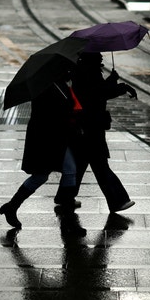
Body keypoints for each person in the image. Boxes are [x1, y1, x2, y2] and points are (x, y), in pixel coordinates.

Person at [0, 70, 84, 234]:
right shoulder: (47, 86)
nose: (69, 72)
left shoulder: (57, 84)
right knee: (44, 175)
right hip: (47, 139)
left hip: (54, 138)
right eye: (66, 70)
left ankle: (12, 207)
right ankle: (68, 223)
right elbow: (53, 112)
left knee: (67, 171)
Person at [60, 52, 136, 214]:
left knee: (80, 163)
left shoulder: (84, 69)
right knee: (100, 163)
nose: (102, 56)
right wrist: (122, 87)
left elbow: (97, 90)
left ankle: (65, 197)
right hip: (90, 123)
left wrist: (111, 80)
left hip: (84, 123)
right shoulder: (89, 71)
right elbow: (98, 93)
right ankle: (118, 200)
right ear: (91, 56)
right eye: (98, 54)